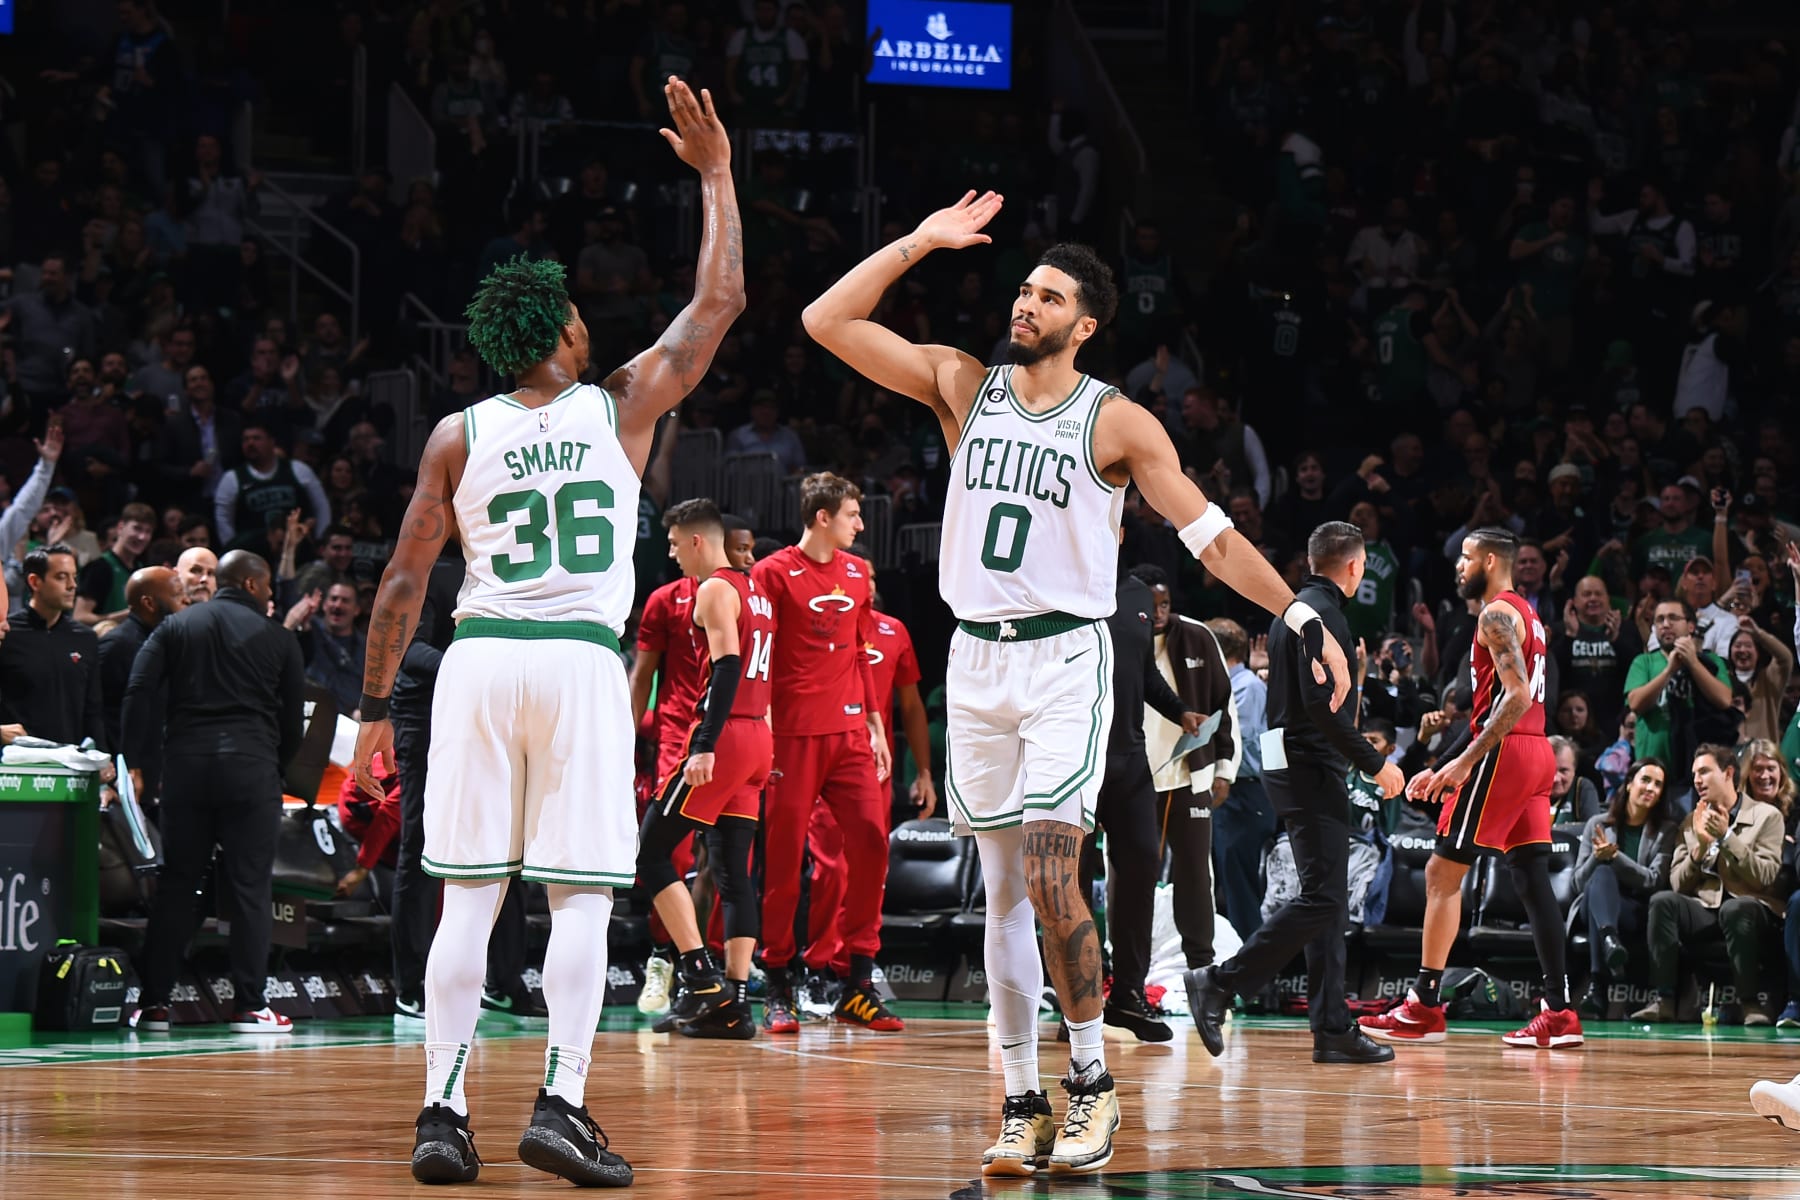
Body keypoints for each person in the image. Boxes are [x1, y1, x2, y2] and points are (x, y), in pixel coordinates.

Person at [801, 190, 1349, 1177]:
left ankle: (1092, 1084)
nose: (1025, 305)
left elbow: (1209, 533)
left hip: (1065, 657)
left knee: (1056, 870)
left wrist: (1297, 608)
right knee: (1004, 893)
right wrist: (920, 243)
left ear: (1085, 324)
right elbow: (825, 321)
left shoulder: (1118, 421)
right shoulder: (961, 384)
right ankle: (1020, 1101)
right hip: (976, 660)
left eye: (1047, 297)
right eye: (1022, 289)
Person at [349, 78, 741, 1188]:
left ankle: (442, 1112)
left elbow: (398, 583)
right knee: (578, 898)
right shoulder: (617, 403)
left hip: (473, 663)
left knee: (466, 900)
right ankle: (562, 1103)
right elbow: (718, 305)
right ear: (564, 330)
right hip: (574, 664)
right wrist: (715, 176)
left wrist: (372, 713)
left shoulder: (455, 435)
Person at [1359, 527, 1584, 1050]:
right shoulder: (1528, 613)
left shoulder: (1495, 614)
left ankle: (1424, 1003)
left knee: (1441, 872)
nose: (1458, 567)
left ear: (1489, 559)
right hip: (1537, 752)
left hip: (1505, 750)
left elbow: (1516, 696)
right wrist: (1445, 761)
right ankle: (1559, 1010)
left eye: (1464, 558)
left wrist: (1461, 763)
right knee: (1530, 877)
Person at [1188, 522, 1403, 1066]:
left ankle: (1332, 1026)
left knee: (1325, 899)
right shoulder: (1325, 616)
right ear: (1354, 567)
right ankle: (1219, 981)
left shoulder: (1287, 611)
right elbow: (1320, 707)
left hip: (1288, 764)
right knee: (1325, 899)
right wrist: (1376, 764)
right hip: (1309, 766)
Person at [122, 551, 305, 1036]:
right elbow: (292, 722)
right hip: (252, 768)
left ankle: (155, 1004)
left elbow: (138, 689)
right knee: (249, 886)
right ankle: (250, 1005)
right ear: (250, 584)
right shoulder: (279, 638)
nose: (271, 596)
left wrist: (134, 760)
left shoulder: (175, 627)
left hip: (185, 768)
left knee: (178, 883)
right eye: (267, 588)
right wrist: (274, 764)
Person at [749, 472, 895, 1034]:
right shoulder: (773, 573)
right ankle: (779, 980)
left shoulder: (858, 573)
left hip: (851, 735)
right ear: (822, 517)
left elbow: (861, 655)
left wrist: (878, 727)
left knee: (871, 841)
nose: (861, 524)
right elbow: (758, 651)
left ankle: (858, 980)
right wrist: (761, 722)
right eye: (853, 514)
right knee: (784, 861)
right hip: (790, 736)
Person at [632, 499, 773, 1040]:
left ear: (696, 540)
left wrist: (706, 743)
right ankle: (734, 1006)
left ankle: (699, 975)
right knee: (734, 871)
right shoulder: (756, 590)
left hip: (727, 736)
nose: (669, 554)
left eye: (672, 543)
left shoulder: (715, 588)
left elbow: (728, 665)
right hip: (758, 735)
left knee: (650, 850)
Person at [1085, 565, 1205, 1044]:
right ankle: (1080, 997)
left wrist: (1177, 710)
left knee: (1140, 866)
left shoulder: (1135, 592)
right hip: (1076, 755)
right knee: (1071, 877)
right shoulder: (1064, 577)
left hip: (1130, 756)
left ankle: (1127, 996)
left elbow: (1143, 669)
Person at [1134, 564, 1237, 976]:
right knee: (1132, 878)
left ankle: (1201, 970)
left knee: (1195, 874)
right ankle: (1128, 971)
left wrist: (1224, 769)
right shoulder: (1118, 635)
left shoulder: (1197, 635)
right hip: (1134, 781)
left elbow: (1224, 706)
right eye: (1151, 604)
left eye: (1165, 603)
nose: (1159, 612)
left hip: (1187, 776)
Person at [1631, 744, 1782, 1025]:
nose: (1697, 780)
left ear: (1727, 773)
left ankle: (1749, 1002)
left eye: (1704, 772)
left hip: (1752, 908)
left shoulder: (1766, 816)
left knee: (1736, 909)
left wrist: (1726, 838)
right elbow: (1677, 883)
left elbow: (1765, 876)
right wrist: (1700, 848)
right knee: (1663, 902)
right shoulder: (1691, 822)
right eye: (1694, 774)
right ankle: (1663, 999)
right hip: (1705, 908)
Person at [1571, 759, 1676, 1018]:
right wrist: (1598, 857)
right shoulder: (1598, 823)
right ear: (1630, 784)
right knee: (1602, 874)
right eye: (1645, 780)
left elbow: (1654, 881)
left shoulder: (1666, 830)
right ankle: (1609, 939)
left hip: (1633, 911)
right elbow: (1577, 884)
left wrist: (1615, 856)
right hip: (1592, 903)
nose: (1651, 788)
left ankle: (1597, 986)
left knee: (1608, 872)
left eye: (1658, 784)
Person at [0, 544, 111, 755]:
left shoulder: (86, 638)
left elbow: (93, 710)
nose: (72, 586)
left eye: (74, 577)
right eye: (61, 577)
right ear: (34, 581)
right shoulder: (6, 634)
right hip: (17, 766)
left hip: (72, 765)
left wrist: (102, 756)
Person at [1208, 617, 1276, 940]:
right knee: (1226, 886)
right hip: (1235, 797)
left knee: (1241, 891)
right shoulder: (1239, 684)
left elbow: (1237, 738)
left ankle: (1251, 976)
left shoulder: (1245, 686)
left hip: (1244, 797)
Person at [97, 566, 187, 750]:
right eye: (177, 595)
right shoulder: (116, 646)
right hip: (129, 766)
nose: (186, 600)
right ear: (149, 604)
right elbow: (98, 713)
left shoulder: (171, 640)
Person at [75, 502, 156, 626]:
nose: (142, 537)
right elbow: (80, 617)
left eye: (148, 532)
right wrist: (126, 616)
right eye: (137, 528)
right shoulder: (100, 567)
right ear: (120, 527)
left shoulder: (142, 570)